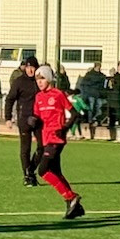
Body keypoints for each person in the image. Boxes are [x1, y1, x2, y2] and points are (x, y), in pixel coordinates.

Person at [31, 64, 84, 219]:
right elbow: (37, 116)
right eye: (37, 79)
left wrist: (65, 128)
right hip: (46, 139)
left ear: (48, 79)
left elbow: (74, 113)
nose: (39, 82)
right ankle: (75, 207)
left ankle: (71, 196)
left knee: (43, 170)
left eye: (42, 79)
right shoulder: (38, 97)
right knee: (56, 172)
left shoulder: (58, 94)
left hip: (56, 138)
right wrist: (32, 120)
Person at [4, 55, 43, 185]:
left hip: (39, 119)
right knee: (25, 148)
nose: (30, 70)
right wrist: (8, 118)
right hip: (24, 119)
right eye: (28, 67)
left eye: (32, 67)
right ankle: (27, 175)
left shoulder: (40, 82)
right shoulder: (19, 82)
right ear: (25, 68)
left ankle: (30, 171)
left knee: (42, 147)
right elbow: (9, 99)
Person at [79, 62, 106, 131]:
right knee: (92, 107)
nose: (99, 68)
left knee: (98, 107)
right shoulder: (91, 75)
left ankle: (95, 119)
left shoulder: (98, 75)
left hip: (97, 94)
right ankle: (91, 120)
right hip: (92, 93)